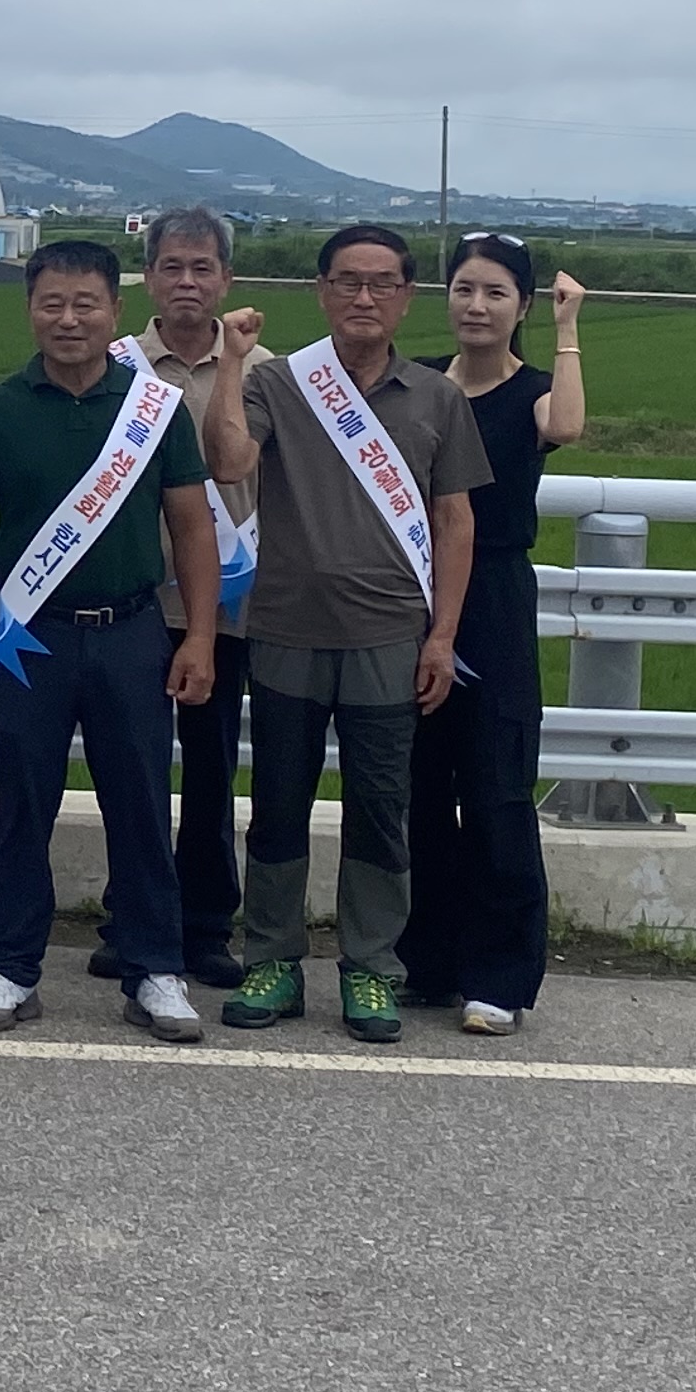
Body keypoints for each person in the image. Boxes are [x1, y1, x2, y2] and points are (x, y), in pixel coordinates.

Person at [0, 240, 223, 1041]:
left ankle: (154, 968)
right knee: (22, 802)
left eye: (85, 303)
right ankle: (11, 966)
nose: (68, 319)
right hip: (31, 638)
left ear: (114, 311)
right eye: (51, 303)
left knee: (141, 803)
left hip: (132, 632)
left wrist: (199, 636)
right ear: (30, 310)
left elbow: (193, 528)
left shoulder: (154, 408)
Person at [199, 224, 487, 1044]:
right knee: (278, 804)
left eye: (381, 283)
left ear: (406, 297)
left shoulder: (436, 396)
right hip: (287, 630)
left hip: (391, 636)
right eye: (347, 282)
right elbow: (228, 463)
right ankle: (272, 959)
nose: (364, 298)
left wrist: (442, 637)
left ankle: (370, 967)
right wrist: (230, 361)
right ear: (322, 291)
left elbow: (455, 522)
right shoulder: (281, 382)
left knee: (380, 809)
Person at [401, 233, 586, 1037]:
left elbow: (568, 428)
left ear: (522, 306)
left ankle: (500, 976)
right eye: (464, 290)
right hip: (412, 594)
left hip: (495, 599)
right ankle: (428, 963)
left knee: (496, 786)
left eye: (496, 293)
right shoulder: (415, 384)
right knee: (418, 788)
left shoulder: (534, 393)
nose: (476, 306)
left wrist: (569, 328)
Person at [133, 207, 259, 987]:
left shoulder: (266, 368)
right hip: (135, 600)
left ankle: (208, 924)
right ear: (149, 276)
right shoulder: (116, 365)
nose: (187, 282)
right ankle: (135, 915)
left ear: (226, 278)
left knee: (212, 772)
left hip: (227, 603)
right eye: (172, 267)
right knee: (135, 771)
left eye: (202, 267)